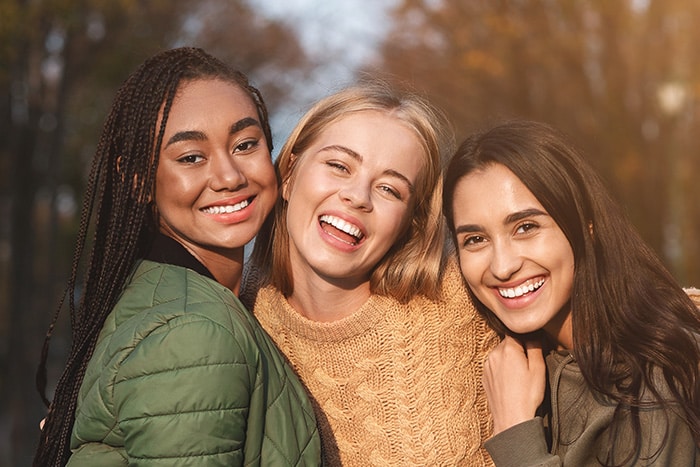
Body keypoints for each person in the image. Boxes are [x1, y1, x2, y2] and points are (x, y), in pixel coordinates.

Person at [33, 47, 321, 466]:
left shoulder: (160, 295)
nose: (229, 176)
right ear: (139, 181)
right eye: (191, 157)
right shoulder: (193, 333)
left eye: (245, 144)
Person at [243, 81, 498, 466]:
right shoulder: (238, 317)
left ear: (411, 223)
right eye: (338, 166)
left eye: (390, 189)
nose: (358, 196)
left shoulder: (464, 300)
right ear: (291, 173)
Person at [442, 119, 700, 466]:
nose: (502, 266)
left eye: (526, 227)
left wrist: (515, 434)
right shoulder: (510, 367)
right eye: (475, 240)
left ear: (585, 228)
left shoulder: (658, 378)